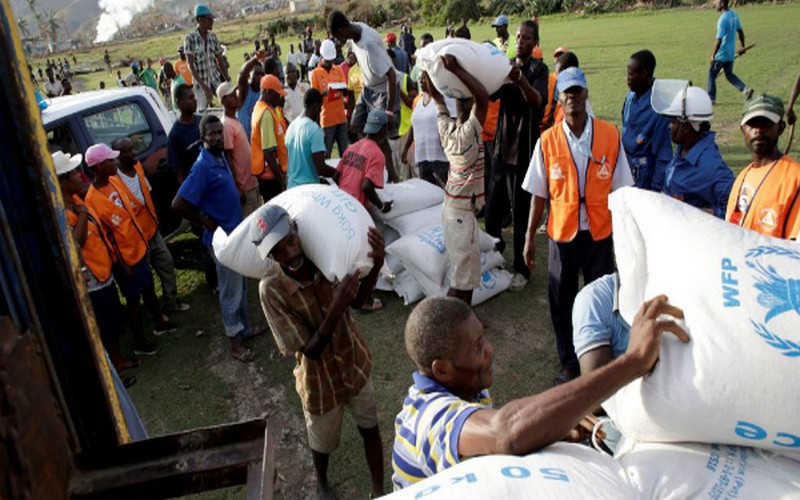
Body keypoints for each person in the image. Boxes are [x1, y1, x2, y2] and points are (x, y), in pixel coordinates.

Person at [392, 295, 689, 489]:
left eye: (484, 338)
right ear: (442, 370)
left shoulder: (465, 389)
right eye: (477, 347)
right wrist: (633, 361)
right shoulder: (428, 418)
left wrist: (551, 431)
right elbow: (506, 431)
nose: (489, 350)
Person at [253, 205, 386, 499]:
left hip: (354, 360)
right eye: (277, 250)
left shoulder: (328, 254)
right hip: (319, 380)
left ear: (296, 230)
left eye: (289, 240)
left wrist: (376, 264)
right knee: (322, 443)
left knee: (370, 428)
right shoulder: (271, 290)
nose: (288, 252)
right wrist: (336, 308)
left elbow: (357, 302)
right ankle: (322, 483)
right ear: (271, 256)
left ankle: (379, 490)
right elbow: (310, 351)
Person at [522, 67, 634, 385]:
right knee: (562, 299)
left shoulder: (609, 135)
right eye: (567, 92)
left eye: (577, 91)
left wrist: (626, 236)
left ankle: (605, 356)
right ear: (559, 99)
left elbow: (623, 190)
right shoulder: (547, 141)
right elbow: (538, 194)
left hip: (599, 233)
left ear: (586, 94)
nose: (572, 97)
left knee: (604, 300)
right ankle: (570, 362)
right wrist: (529, 238)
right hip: (562, 234)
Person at [172, 115, 258, 362]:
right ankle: (235, 342)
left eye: (219, 132)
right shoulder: (202, 166)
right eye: (212, 134)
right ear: (202, 138)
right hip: (222, 242)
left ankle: (245, 329)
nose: (218, 137)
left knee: (241, 284)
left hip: (235, 235)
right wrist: (204, 221)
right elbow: (178, 204)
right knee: (230, 291)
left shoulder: (219, 158)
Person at [84, 144, 176, 356]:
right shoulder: (92, 201)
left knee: (149, 288)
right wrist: (121, 264)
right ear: (98, 167)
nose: (115, 163)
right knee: (133, 300)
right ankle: (140, 343)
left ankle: (160, 323)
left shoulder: (115, 181)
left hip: (139, 248)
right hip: (126, 259)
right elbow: (106, 237)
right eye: (110, 161)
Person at [54, 151, 138, 376]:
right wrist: (82, 215)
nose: (79, 175)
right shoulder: (62, 213)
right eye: (73, 173)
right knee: (103, 324)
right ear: (63, 181)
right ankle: (113, 367)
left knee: (111, 319)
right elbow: (76, 242)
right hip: (91, 278)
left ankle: (118, 360)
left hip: (103, 270)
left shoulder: (76, 200)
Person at [485, 20, 548, 292]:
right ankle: (495, 258)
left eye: (526, 38)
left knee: (521, 215)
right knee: (492, 212)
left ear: (535, 43)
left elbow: (537, 100)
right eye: (519, 36)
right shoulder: (506, 66)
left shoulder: (538, 69)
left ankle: (522, 270)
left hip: (524, 154)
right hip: (501, 150)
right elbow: (491, 95)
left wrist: (519, 78)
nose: (521, 41)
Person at [431, 55, 488, 305]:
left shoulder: (447, 129)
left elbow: (437, 100)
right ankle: (447, 318)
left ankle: (464, 316)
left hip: (454, 209)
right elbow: (483, 97)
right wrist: (455, 69)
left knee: (467, 275)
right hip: (461, 214)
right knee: (461, 280)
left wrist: (431, 79)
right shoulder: (467, 134)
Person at [111, 137, 190, 313]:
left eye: (132, 148)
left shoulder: (138, 167)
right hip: (136, 238)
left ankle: (170, 302)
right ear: (118, 156)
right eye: (127, 151)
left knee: (166, 263)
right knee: (146, 278)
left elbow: (148, 194)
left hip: (152, 231)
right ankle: (154, 311)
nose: (133, 153)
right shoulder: (114, 181)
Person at [328, 11, 399, 182]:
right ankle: (367, 162)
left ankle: (392, 176)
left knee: (379, 135)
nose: (337, 41)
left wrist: (389, 111)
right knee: (354, 125)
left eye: (337, 37)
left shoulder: (370, 45)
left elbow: (391, 75)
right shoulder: (355, 31)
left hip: (383, 90)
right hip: (368, 89)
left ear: (342, 30)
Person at [727, 94, 800, 240]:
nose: (758, 130)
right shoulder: (742, 177)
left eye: (766, 124)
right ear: (743, 129)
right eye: (752, 124)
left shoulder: (795, 178)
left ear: (781, 128)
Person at [657, 85, 734, 218]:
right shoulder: (683, 151)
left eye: (673, 121)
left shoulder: (711, 166)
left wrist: (702, 214)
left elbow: (734, 205)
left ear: (686, 126)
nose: (669, 126)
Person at [622, 50, 673, 191]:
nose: (627, 78)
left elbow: (663, 156)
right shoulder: (630, 96)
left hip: (645, 178)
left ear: (644, 74)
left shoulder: (659, 108)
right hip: (626, 170)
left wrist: (655, 190)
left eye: (630, 74)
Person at [402, 71, 456, 186]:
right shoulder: (418, 101)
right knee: (427, 190)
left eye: (425, 78)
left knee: (442, 190)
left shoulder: (445, 98)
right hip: (422, 157)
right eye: (420, 78)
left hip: (440, 158)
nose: (421, 81)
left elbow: (453, 121)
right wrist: (406, 148)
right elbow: (413, 125)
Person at [337, 109, 393, 217]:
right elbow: (366, 187)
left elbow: (336, 176)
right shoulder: (377, 154)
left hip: (341, 202)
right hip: (355, 209)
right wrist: (381, 206)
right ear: (383, 128)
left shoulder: (352, 147)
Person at [216, 82, 260, 217]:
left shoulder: (234, 119)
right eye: (231, 95)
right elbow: (228, 158)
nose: (236, 97)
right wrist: (237, 188)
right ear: (223, 101)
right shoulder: (226, 125)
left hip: (251, 181)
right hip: (244, 186)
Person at [285, 88, 339, 188]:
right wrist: (338, 173)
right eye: (320, 107)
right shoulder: (314, 130)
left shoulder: (291, 126)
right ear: (315, 106)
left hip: (291, 187)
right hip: (308, 189)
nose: (320, 111)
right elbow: (320, 168)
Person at [251, 74, 288, 203]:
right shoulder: (266, 114)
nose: (279, 98)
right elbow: (268, 152)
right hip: (270, 176)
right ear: (267, 92)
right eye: (276, 95)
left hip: (268, 174)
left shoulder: (260, 107)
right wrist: (282, 181)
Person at [184, 4, 229, 110]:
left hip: (215, 79)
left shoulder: (213, 37)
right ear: (200, 20)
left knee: (228, 104)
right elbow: (191, 66)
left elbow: (220, 61)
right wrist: (205, 87)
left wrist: (228, 80)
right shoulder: (190, 39)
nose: (212, 22)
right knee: (202, 111)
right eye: (209, 19)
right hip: (200, 83)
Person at [707, 0, 753, 104]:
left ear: (722, 3)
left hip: (722, 54)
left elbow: (719, 40)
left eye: (717, 2)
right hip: (730, 53)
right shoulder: (734, 15)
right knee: (729, 75)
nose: (715, 4)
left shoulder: (722, 19)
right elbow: (740, 31)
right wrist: (742, 46)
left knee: (711, 74)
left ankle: (711, 98)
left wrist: (713, 56)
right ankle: (746, 89)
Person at [310, 40, 349, 158]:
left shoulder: (338, 69)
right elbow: (313, 98)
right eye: (327, 60)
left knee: (345, 154)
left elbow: (345, 90)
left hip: (341, 118)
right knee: (326, 155)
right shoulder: (315, 74)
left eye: (331, 60)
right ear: (321, 57)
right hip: (326, 120)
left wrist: (342, 89)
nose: (330, 63)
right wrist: (324, 93)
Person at [167, 84, 202, 183]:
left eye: (194, 97)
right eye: (190, 98)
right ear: (179, 103)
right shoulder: (175, 136)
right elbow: (179, 173)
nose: (195, 100)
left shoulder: (202, 122)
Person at [236, 54, 268, 144]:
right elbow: (242, 75)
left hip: (258, 143)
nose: (260, 77)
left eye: (262, 74)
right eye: (256, 74)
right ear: (249, 76)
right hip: (243, 143)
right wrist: (255, 58)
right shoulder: (245, 91)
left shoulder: (264, 94)